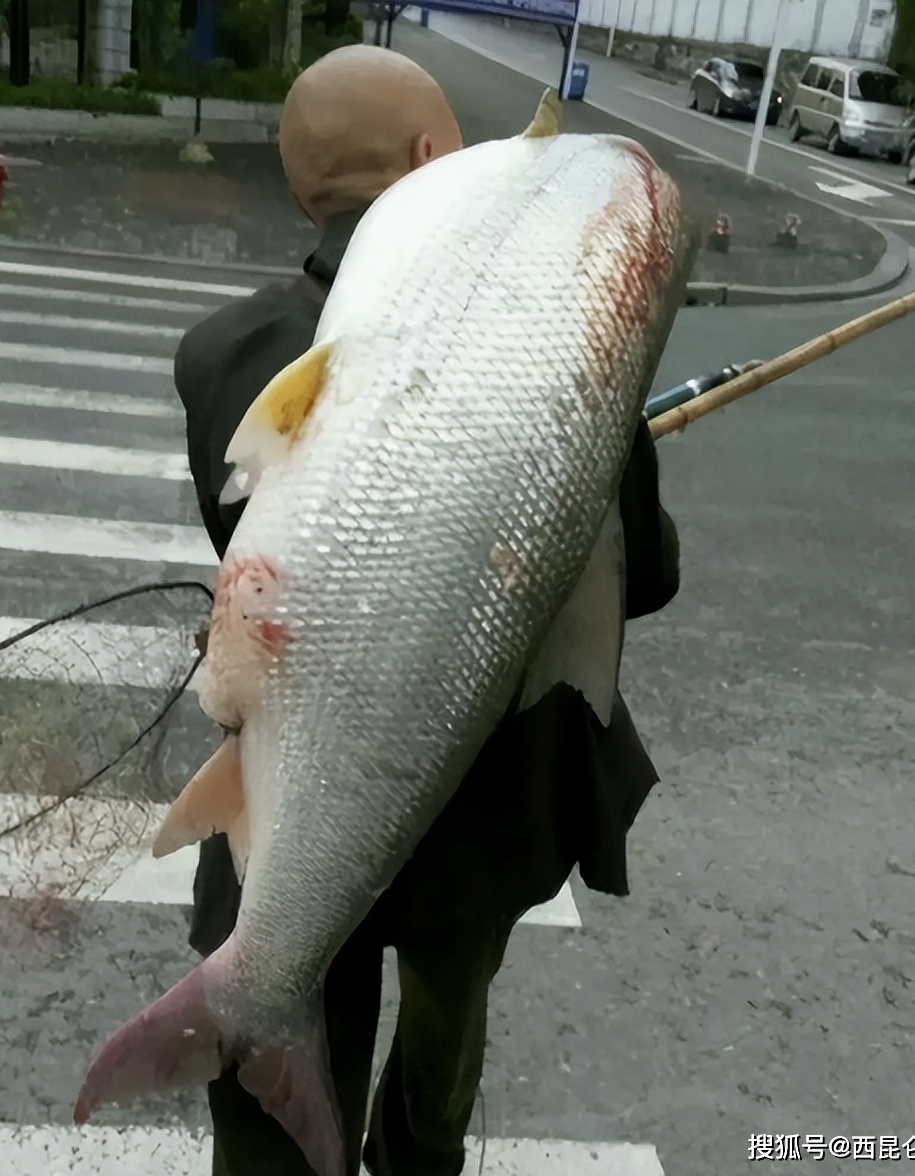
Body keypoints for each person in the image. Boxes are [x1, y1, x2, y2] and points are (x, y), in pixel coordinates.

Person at [172, 44, 681, 1176]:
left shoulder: (220, 354)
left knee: (280, 1102)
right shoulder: (541, 341)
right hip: (481, 820)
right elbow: (643, 576)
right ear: (430, 160)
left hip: (291, 797)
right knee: (438, 1062)